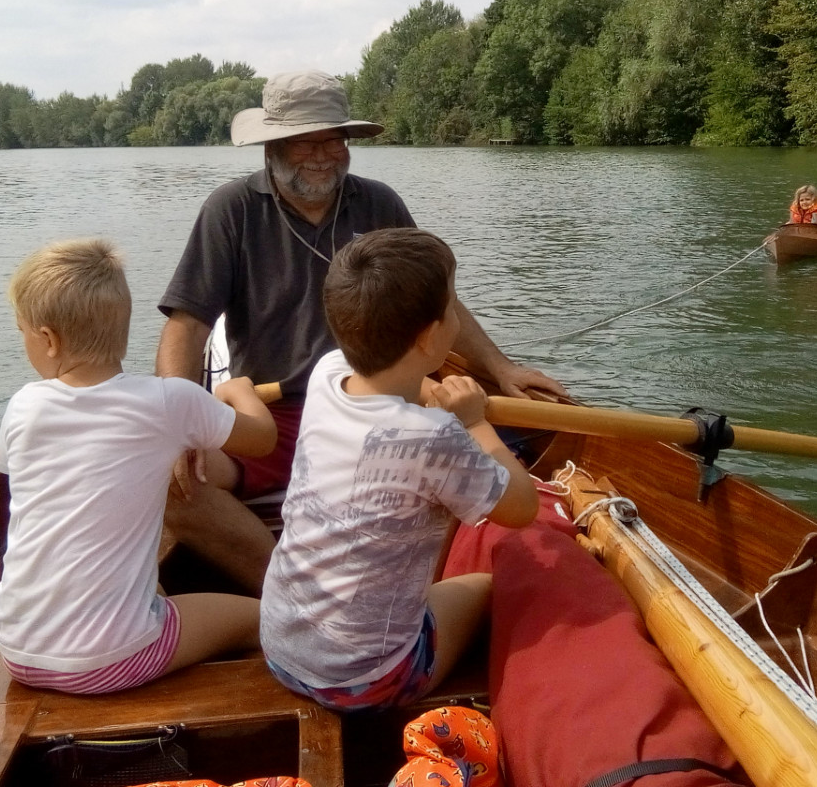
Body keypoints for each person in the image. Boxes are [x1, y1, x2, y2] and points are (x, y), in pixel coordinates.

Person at [156, 69, 565, 593]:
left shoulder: (381, 205)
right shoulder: (230, 211)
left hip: (380, 406)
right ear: (272, 146)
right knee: (173, 483)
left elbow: (439, 302)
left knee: (453, 469)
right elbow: (187, 327)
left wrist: (501, 369)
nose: (324, 155)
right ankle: (288, 591)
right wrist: (179, 423)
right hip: (268, 421)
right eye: (306, 143)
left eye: (335, 140)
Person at [259, 228, 540, 711]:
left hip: (281, 650)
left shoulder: (328, 372)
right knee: (493, 585)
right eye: (453, 307)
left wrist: (439, 394)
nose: (456, 315)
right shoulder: (433, 439)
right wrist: (476, 422)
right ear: (430, 336)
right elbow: (522, 507)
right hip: (367, 679)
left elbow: (405, 393)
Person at [0, 238, 276, 695]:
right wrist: (240, 391)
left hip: (17, 650)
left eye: (21, 330)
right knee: (265, 619)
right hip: (107, 661)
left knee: (157, 593)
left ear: (47, 339)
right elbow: (263, 440)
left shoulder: (23, 406)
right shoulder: (169, 403)